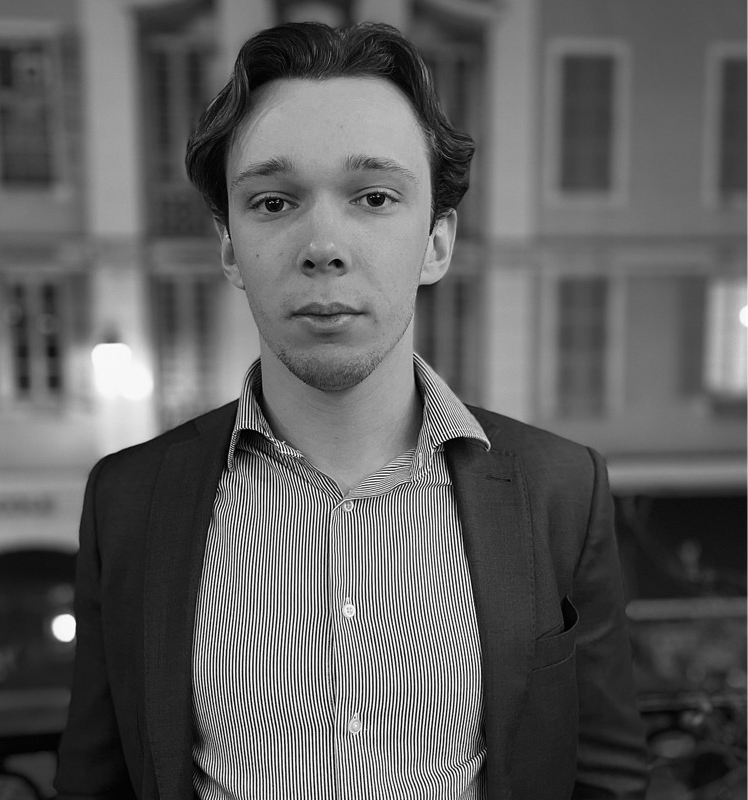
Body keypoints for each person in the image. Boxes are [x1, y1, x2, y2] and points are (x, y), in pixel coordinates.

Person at [55, 21, 648, 800]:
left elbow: (608, 773)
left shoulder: (561, 489)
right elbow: (94, 779)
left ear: (436, 243)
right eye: (273, 202)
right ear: (230, 248)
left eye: (373, 197)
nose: (322, 246)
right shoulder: (128, 500)